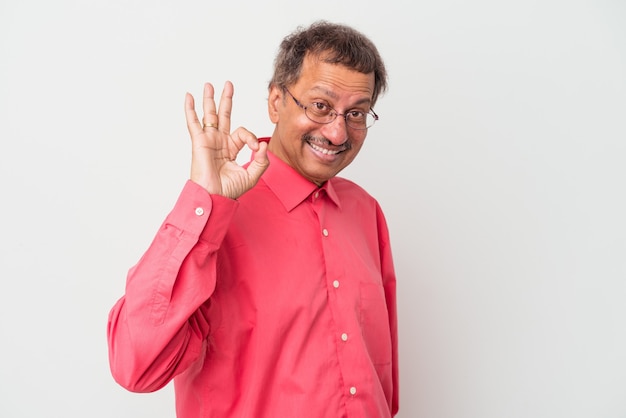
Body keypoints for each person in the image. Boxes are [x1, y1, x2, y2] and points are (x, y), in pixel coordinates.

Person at [107, 20, 398, 418]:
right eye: (320, 105)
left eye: (357, 113)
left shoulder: (366, 212)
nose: (337, 131)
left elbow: (381, 381)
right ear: (276, 101)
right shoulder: (215, 216)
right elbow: (135, 366)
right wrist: (203, 204)